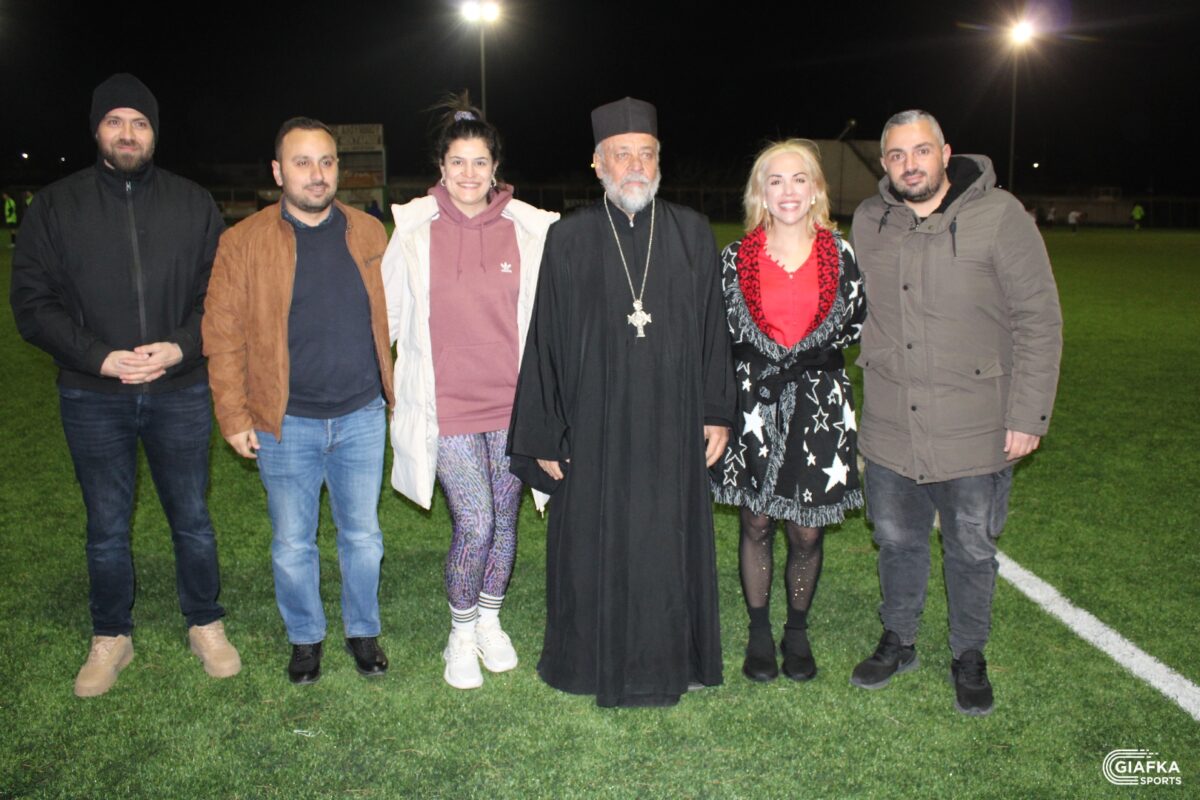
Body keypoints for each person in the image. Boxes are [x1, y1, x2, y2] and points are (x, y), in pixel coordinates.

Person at [10, 73, 240, 698]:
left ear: (154, 133)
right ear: (97, 130)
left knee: (192, 517)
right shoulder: (55, 206)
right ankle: (111, 633)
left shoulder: (192, 203)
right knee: (106, 524)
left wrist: (182, 345)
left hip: (179, 390)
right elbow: (32, 302)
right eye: (115, 121)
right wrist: (99, 357)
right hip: (93, 394)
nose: (128, 133)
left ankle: (205, 621)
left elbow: (220, 295)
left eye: (139, 123)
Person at [507, 97, 736, 707]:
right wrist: (545, 432)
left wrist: (717, 410)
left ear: (659, 161)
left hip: (673, 420)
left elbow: (714, 328)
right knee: (592, 541)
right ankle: (587, 662)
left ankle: (672, 658)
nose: (635, 165)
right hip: (594, 425)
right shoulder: (569, 237)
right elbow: (545, 336)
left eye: (646, 154)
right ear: (597, 163)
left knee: (666, 539)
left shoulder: (691, 232)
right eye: (621, 154)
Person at [849, 110, 1062, 716]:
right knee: (896, 540)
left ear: (946, 153)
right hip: (892, 423)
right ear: (884, 163)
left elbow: (1038, 319)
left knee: (970, 546)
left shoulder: (1000, 215)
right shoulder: (869, 220)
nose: (910, 164)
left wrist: (1029, 414)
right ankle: (899, 638)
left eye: (921, 151)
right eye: (896, 155)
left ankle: (969, 653)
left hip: (976, 424)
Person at [203, 117, 395, 685]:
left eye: (326, 162)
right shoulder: (242, 242)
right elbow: (222, 335)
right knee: (293, 541)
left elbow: (399, 314)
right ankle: (305, 638)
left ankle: (363, 630)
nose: (317, 174)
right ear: (277, 171)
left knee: (363, 537)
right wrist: (233, 415)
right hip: (285, 421)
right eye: (303, 162)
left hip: (362, 414)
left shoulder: (369, 232)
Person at [383, 94, 559, 690]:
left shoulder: (528, 230)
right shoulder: (413, 231)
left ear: (495, 168)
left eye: (479, 162)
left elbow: (547, 320)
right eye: (457, 161)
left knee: (506, 521)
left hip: (512, 408)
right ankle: (459, 633)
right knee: (476, 522)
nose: (468, 173)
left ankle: (489, 620)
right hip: (447, 408)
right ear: (441, 166)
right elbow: (388, 319)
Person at [712, 139, 866, 683]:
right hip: (754, 405)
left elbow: (856, 325)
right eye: (775, 180)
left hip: (820, 404)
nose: (788, 191)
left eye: (799, 179)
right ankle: (759, 632)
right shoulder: (735, 259)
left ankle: (796, 630)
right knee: (756, 521)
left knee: (806, 531)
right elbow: (719, 338)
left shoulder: (843, 255)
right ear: (760, 192)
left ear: (816, 188)